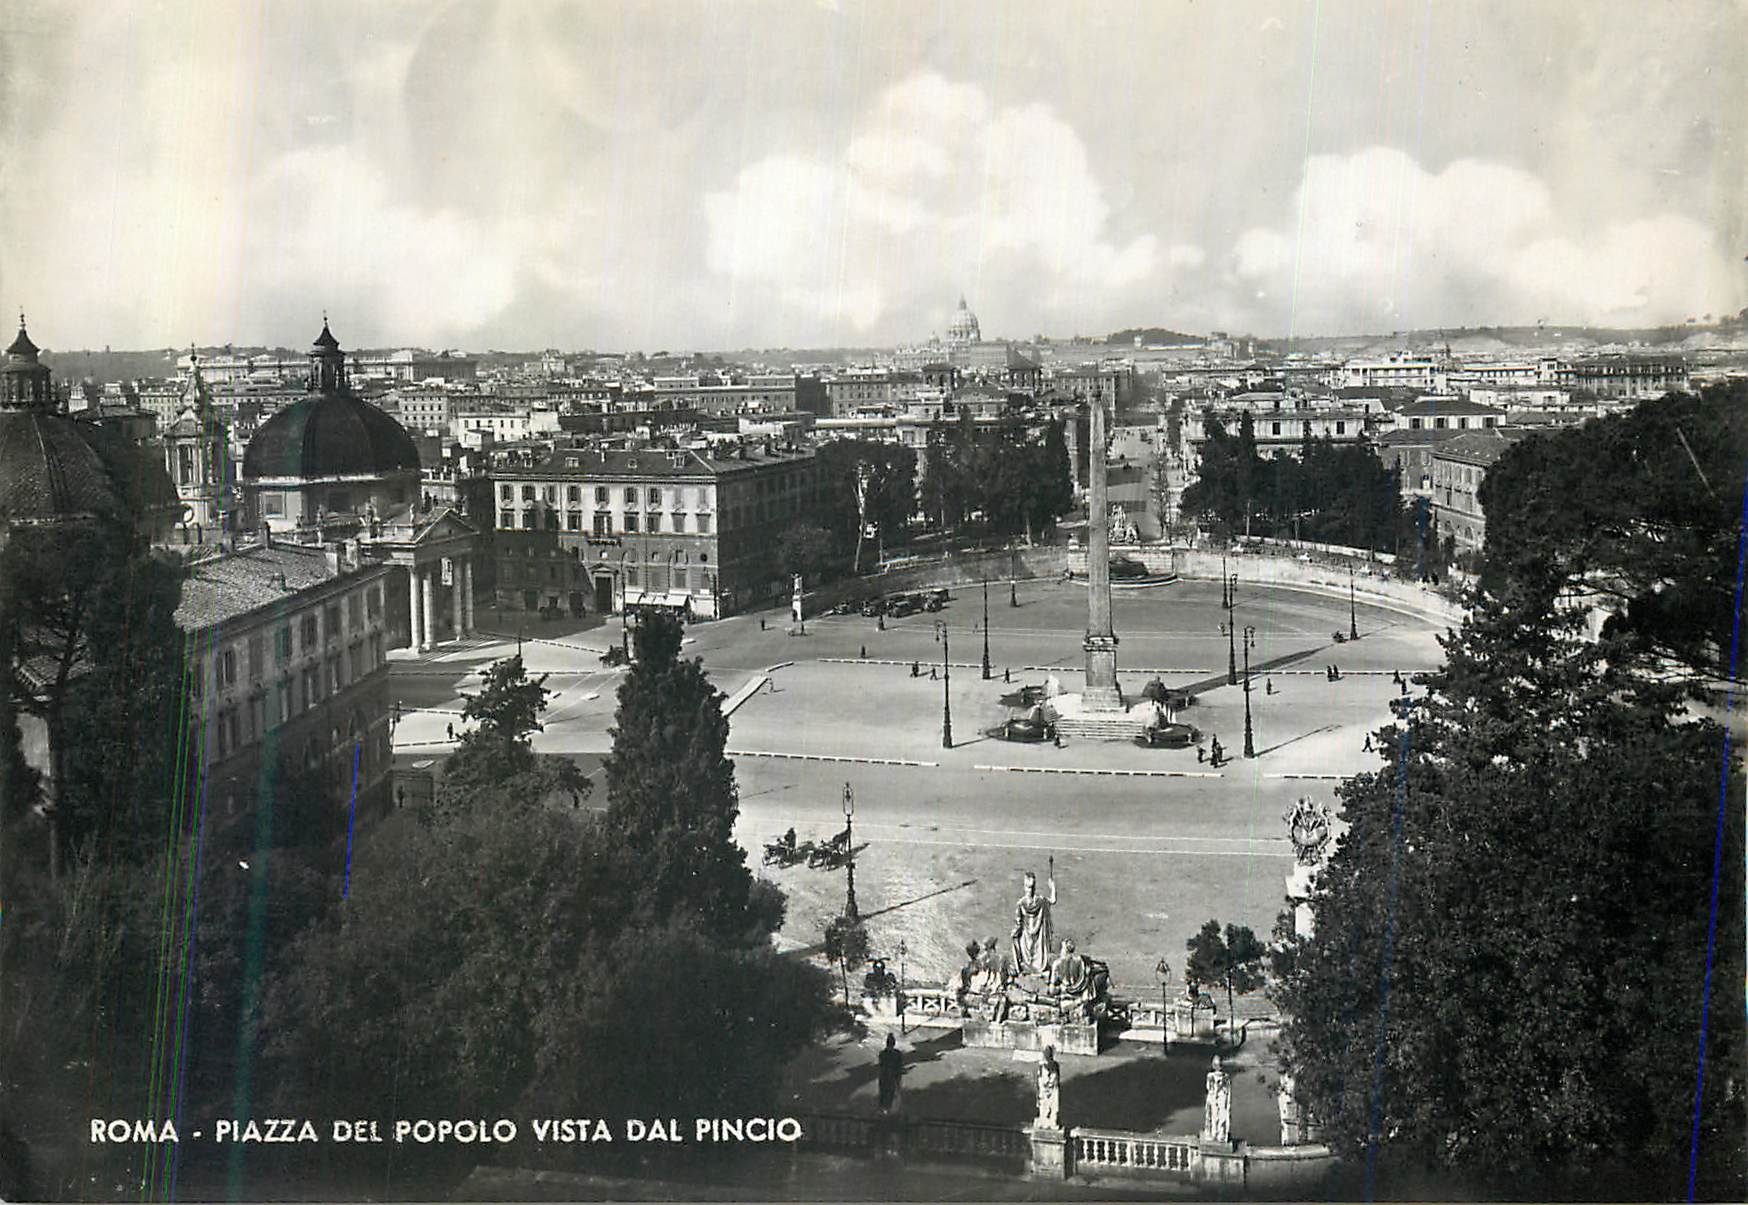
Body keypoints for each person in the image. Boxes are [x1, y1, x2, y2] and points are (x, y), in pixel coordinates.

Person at [1011, 869, 1057, 974]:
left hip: (1026, 935)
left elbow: (1018, 922)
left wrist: (1014, 933)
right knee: (1038, 954)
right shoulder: (1041, 901)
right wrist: (1052, 887)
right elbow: (1053, 900)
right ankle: (1037, 968)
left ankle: (1026, 967)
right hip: (1039, 935)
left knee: (1026, 955)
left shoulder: (1021, 903)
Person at [877, 1034, 903, 1115]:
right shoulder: (898, 1054)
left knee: (883, 1092)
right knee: (891, 1092)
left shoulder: (882, 1054)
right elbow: (899, 1067)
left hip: (884, 1076)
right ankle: (889, 1109)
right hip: (893, 1076)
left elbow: (881, 1065)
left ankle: (883, 1109)